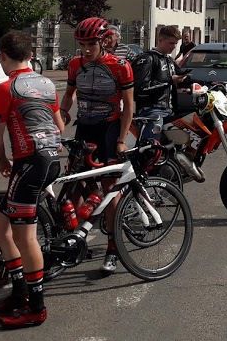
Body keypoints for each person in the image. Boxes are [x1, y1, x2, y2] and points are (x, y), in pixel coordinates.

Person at [0, 31, 65, 328]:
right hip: (48, 159)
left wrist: (1, 162)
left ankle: (37, 307)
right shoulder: (46, 83)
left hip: (29, 163)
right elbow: (59, 125)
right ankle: (19, 293)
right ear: (30, 56)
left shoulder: (7, 88)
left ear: (3, 56)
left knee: (25, 236)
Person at [58, 17, 135, 275]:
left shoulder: (120, 65)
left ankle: (113, 249)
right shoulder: (75, 64)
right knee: (75, 186)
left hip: (109, 129)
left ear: (103, 40)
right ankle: (74, 241)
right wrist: (60, 120)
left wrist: (122, 139)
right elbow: (68, 97)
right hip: (85, 127)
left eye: (91, 43)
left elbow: (129, 106)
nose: (86, 48)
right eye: (82, 43)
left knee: (110, 190)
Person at [130, 25, 184, 144]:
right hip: (151, 111)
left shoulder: (169, 60)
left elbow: (183, 76)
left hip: (169, 111)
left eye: (176, 43)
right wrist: (170, 81)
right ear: (160, 40)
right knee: (151, 149)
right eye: (171, 43)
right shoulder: (147, 59)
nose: (174, 47)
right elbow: (140, 88)